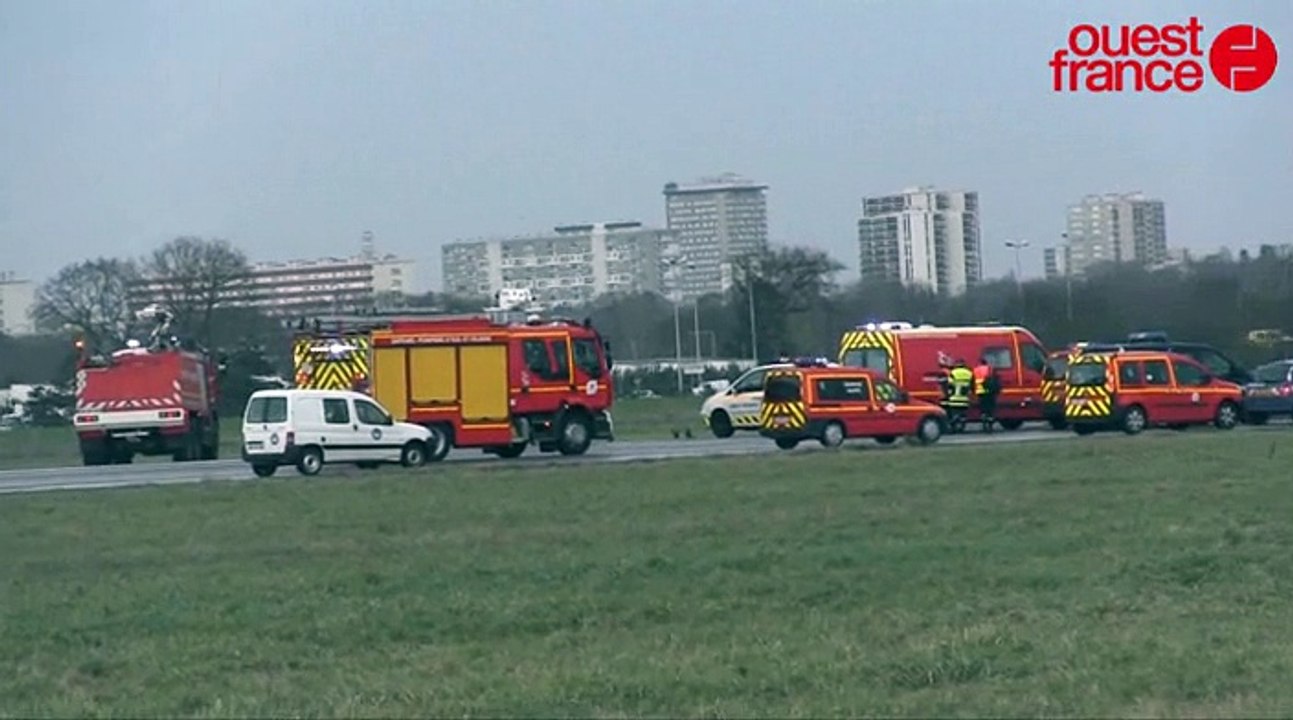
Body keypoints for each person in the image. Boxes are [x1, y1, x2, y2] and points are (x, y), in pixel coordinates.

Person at [944, 359, 974, 432]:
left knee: (954, 414)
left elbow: (949, 385)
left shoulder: (953, 373)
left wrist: (948, 394)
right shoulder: (969, 373)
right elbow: (972, 385)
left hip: (954, 398)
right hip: (964, 399)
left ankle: (953, 425)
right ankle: (961, 427)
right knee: (963, 414)